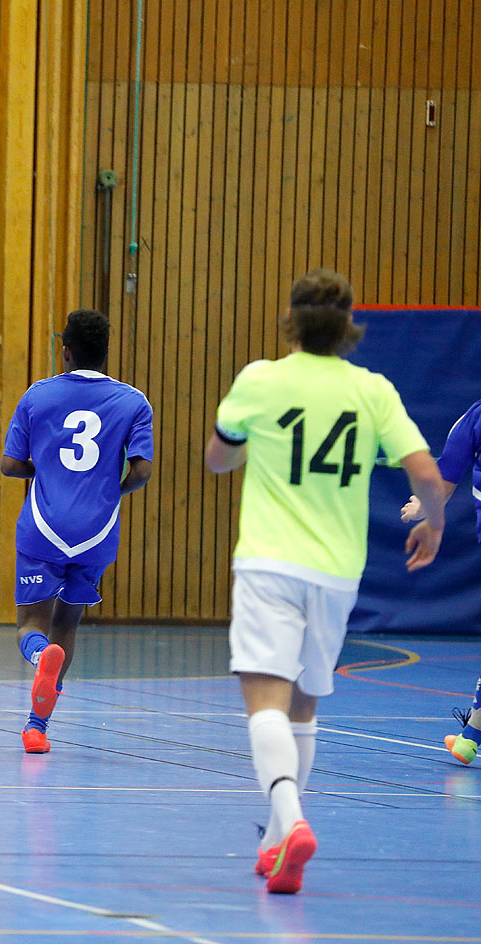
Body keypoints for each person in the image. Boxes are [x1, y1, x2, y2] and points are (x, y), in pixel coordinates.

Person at [205, 269, 448, 894]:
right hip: (338, 572)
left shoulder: (260, 380)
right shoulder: (372, 391)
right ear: (349, 328)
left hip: (268, 561)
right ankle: (276, 843)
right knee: (305, 704)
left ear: (290, 320)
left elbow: (216, 457)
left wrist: (237, 453)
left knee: (264, 697)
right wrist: (434, 524)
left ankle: (289, 819)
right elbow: (424, 467)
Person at [0, 309, 154, 754]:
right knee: (68, 622)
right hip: (97, 531)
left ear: (64, 351)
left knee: (32, 624)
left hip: (43, 527)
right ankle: (37, 727)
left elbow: (10, 465)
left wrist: (43, 469)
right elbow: (142, 470)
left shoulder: (38, 396)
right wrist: (111, 489)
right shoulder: (133, 402)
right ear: (105, 353)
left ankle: (35, 656)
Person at [397, 396, 481, 763]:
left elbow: (441, 484)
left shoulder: (475, 417)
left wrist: (423, 508)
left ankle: (470, 736)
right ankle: (471, 735)